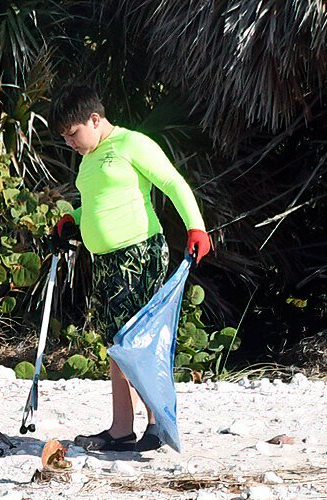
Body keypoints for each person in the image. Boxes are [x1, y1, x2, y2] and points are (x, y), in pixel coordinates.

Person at [48, 85, 213, 452]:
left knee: (134, 340)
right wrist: (70, 221)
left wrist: (196, 226)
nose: (71, 143)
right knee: (115, 344)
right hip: (106, 261)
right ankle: (121, 429)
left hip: (138, 253)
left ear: (95, 119)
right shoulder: (89, 157)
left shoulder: (131, 143)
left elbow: (172, 182)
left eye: (73, 133)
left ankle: (155, 424)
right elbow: (98, 206)